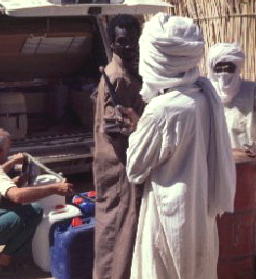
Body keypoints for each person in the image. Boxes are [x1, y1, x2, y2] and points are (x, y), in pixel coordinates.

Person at [123, 13, 236, 279]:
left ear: (156, 59)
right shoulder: (203, 95)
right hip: (200, 211)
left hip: (169, 215)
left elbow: (135, 168)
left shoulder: (164, 109)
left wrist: (136, 130)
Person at [0, 129, 73, 274]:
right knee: (34, 211)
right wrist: (54, 188)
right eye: (8, 149)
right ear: (1, 150)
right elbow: (17, 196)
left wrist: (12, 164)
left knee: (6, 209)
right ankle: (3, 260)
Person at [93, 14, 144, 279]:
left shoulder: (123, 70)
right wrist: (140, 128)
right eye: (122, 41)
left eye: (133, 40)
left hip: (113, 163)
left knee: (114, 228)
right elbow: (113, 126)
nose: (129, 45)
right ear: (112, 43)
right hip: (119, 164)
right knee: (118, 231)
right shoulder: (119, 76)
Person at [207, 43, 256, 148]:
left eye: (229, 68)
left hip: (245, 158)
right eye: (219, 69)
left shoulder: (251, 91)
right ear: (212, 69)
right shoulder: (205, 93)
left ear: (237, 69)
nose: (224, 73)